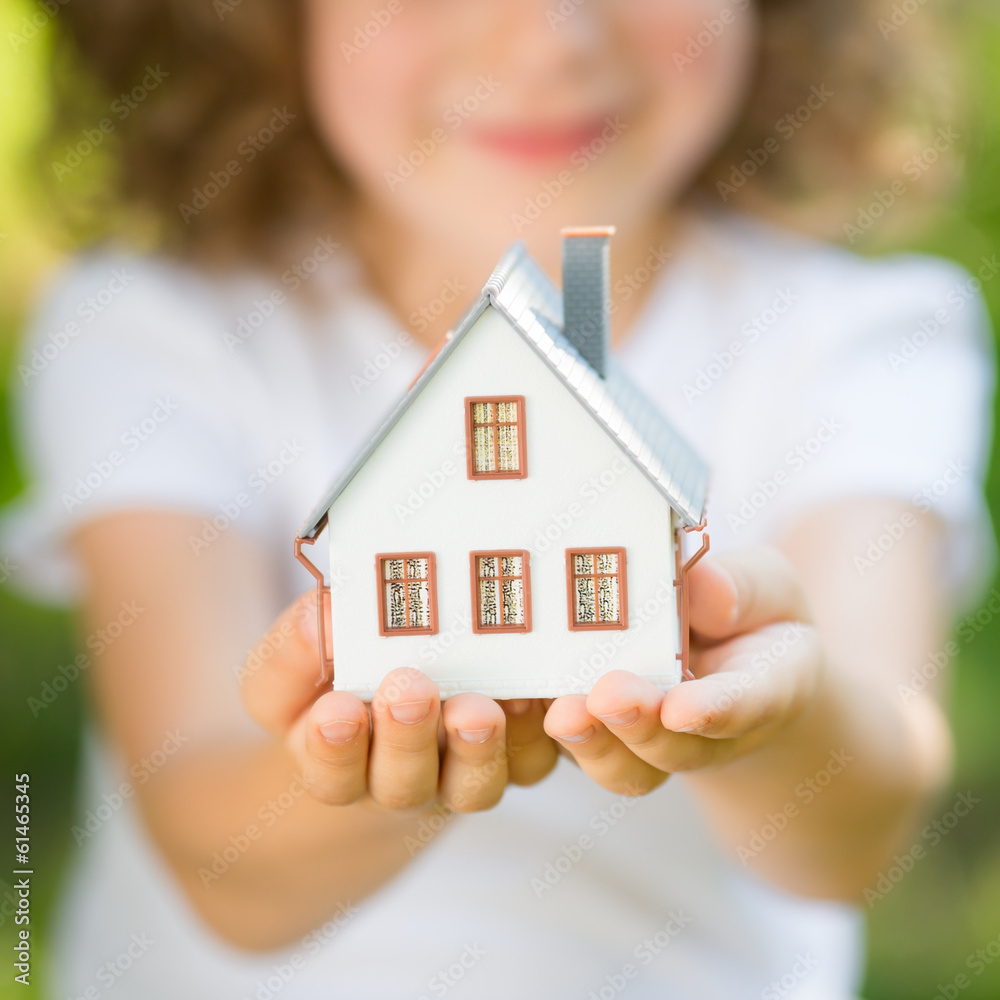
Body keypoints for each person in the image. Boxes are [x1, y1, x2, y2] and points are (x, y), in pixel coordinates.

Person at [2, 1, 994, 997]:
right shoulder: (157, 332)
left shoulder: (858, 342)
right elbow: (220, 860)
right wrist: (393, 759)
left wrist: (774, 717)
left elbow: (857, 826)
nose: (549, 39)